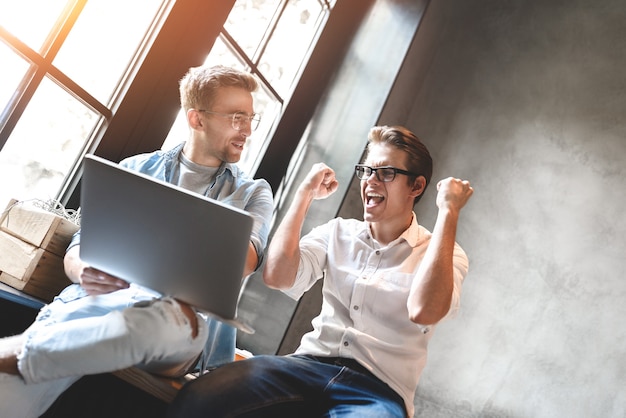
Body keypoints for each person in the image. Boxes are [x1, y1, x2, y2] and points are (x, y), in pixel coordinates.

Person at [0, 65, 274, 418]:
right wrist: (84, 271)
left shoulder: (253, 192)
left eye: (251, 118)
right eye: (237, 118)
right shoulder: (135, 168)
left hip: (181, 323)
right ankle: (27, 353)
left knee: (157, 317)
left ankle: (15, 350)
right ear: (197, 119)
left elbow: (244, 261)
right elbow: (79, 248)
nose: (247, 130)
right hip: (99, 302)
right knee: (71, 325)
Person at [167, 125, 474, 418]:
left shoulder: (444, 254)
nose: (371, 181)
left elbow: (425, 311)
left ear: (416, 186)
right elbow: (277, 275)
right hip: (306, 366)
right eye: (366, 171)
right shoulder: (337, 232)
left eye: (386, 173)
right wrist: (304, 193)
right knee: (201, 396)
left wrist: (449, 211)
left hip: (378, 390)